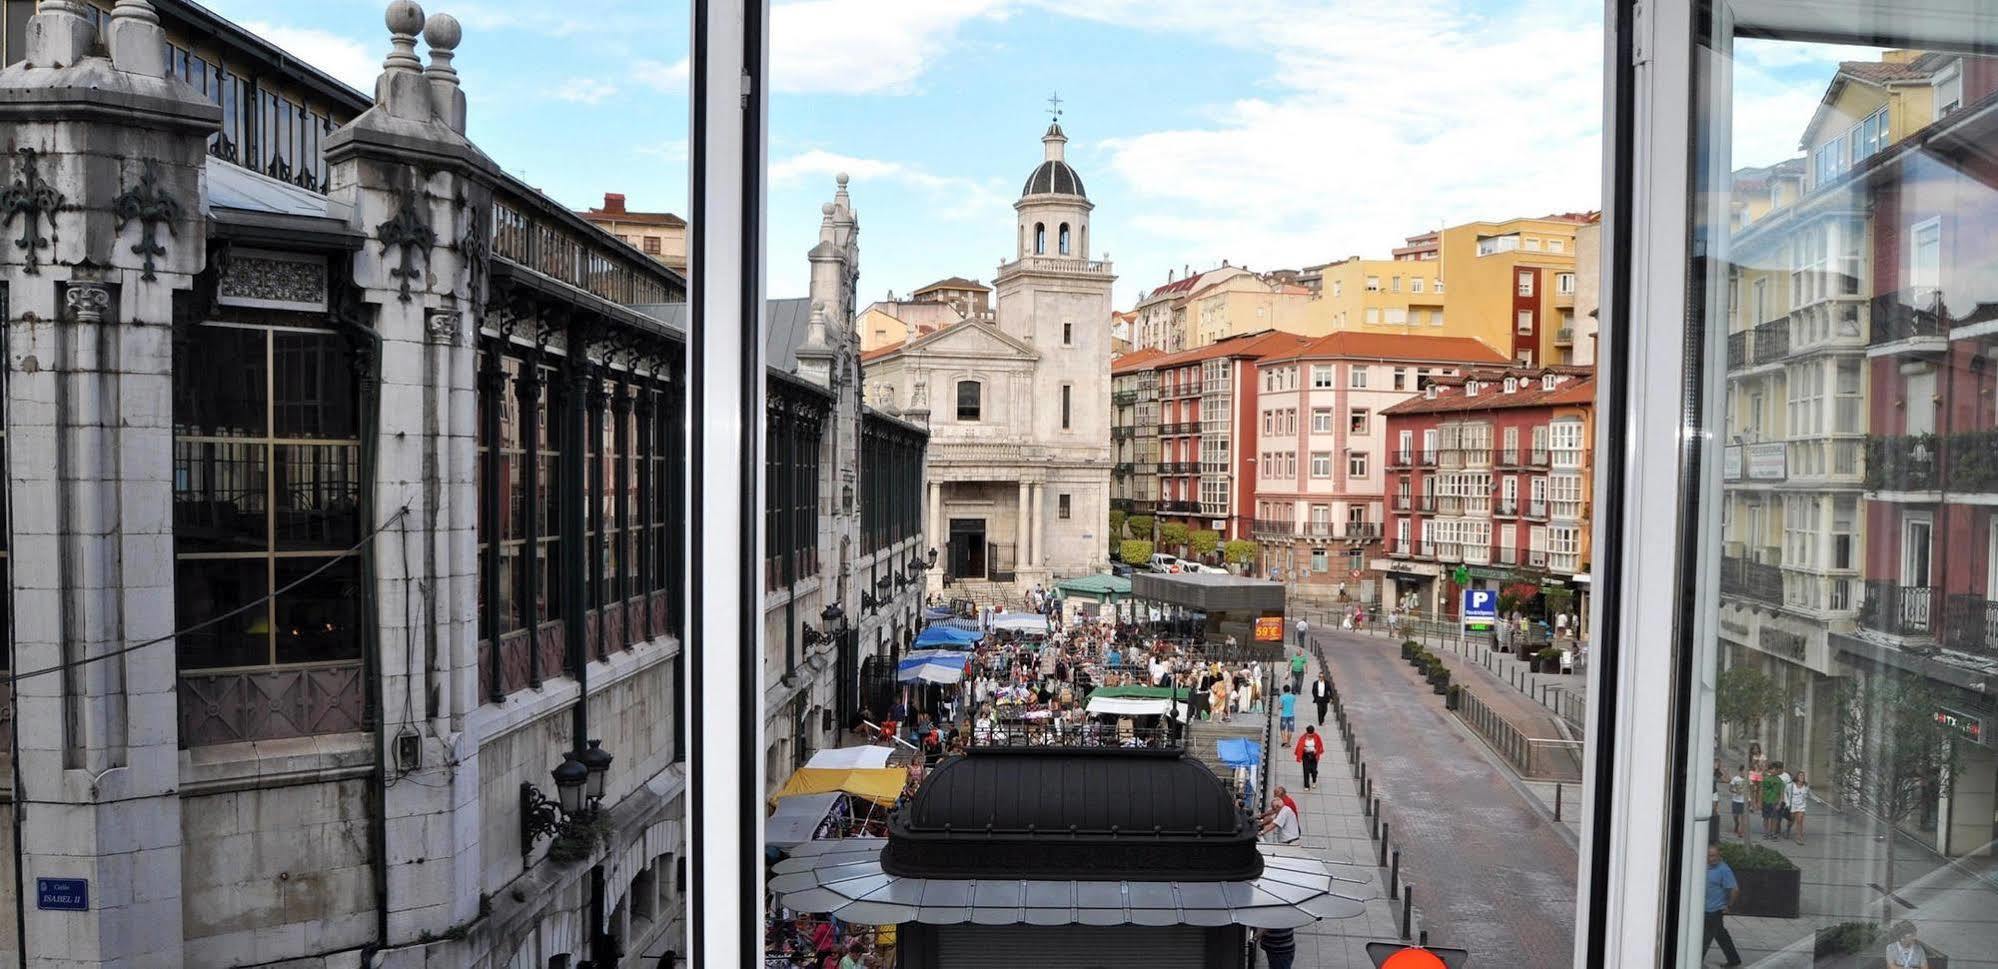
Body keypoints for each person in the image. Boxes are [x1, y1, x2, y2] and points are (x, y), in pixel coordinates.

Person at [1703, 843, 1743, 967]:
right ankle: (1734, 960)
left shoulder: (1723, 869)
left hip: (1714, 910)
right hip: (1703, 909)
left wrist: (1728, 906)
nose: (1712, 858)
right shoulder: (1703, 866)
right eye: (1710, 856)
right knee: (1721, 935)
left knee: (1705, 937)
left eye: (1715, 856)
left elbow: (1735, 889)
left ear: (1719, 855)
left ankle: (1695, 961)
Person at [1760, 761, 1785, 840]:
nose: (1773, 771)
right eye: (1772, 769)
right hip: (1766, 801)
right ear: (1769, 770)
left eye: (1775, 769)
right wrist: (1760, 802)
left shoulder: (1780, 781)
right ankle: (1766, 832)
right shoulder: (1765, 779)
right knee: (1766, 818)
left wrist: (1780, 803)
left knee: (1774, 819)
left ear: (1777, 771)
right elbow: (1761, 791)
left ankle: (1773, 833)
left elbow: (1781, 794)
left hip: (1775, 802)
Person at [1295, 724, 1325, 789]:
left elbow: (1320, 745)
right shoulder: (1303, 737)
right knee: (1306, 770)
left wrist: (1316, 751)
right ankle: (1306, 785)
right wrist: (1301, 752)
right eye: (1309, 735)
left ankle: (1314, 781)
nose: (1310, 736)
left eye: (1311, 735)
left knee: (1313, 770)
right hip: (1306, 755)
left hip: (1314, 755)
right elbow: (1299, 746)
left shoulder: (1317, 736)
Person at [1787, 770, 1810, 846]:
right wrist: (1787, 803)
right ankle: (1788, 829)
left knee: (1799, 821)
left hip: (1801, 806)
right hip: (1792, 805)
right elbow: (1784, 793)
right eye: (1800, 776)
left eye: (1803, 776)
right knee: (1791, 820)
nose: (1802, 777)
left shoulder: (1806, 786)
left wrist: (1817, 800)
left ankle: (1799, 837)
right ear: (1797, 777)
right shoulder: (1791, 785)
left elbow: (1810, 794)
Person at [1729, 765, 1747, 840]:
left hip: (1744, 801)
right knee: (1735, 816)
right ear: (1740, 771)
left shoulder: (1748, 779)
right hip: (1736, 800)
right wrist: (1735, 791)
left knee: (1743, 816)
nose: (1745, 773)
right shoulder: (1735, 779)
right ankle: (1736, 824)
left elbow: (1752, 789)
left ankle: (1741, 831)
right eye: (1744, 771)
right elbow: (1730, 789)